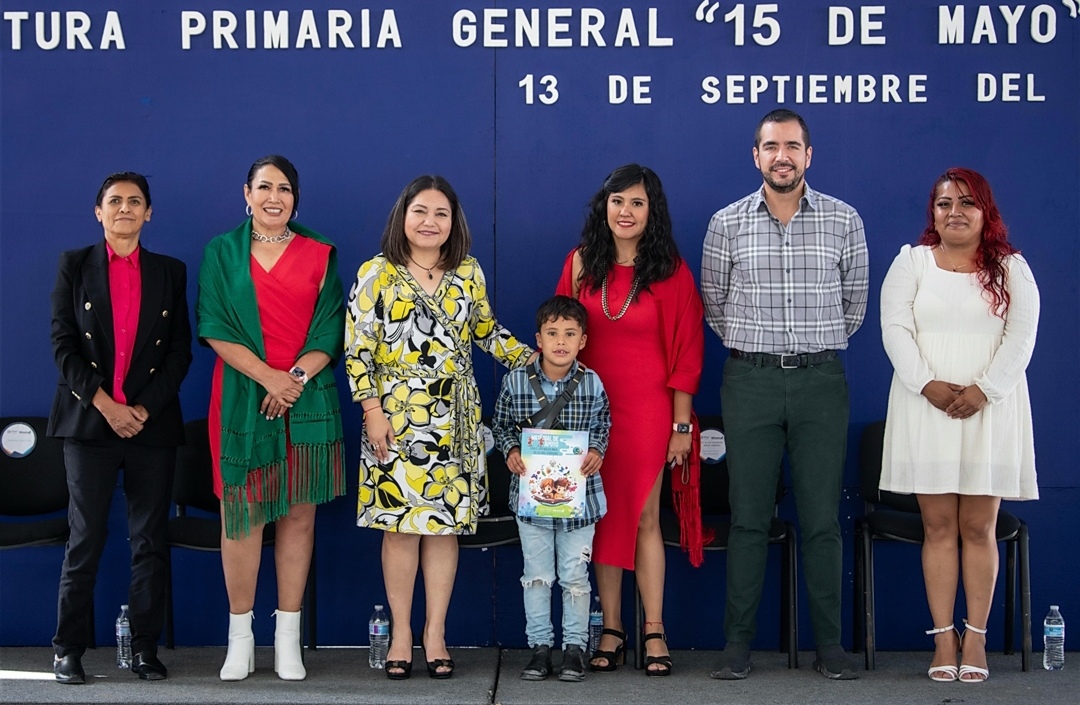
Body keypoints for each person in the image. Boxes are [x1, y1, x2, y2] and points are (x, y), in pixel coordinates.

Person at [700, 108, 869, 680]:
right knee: (749, 517)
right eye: (771, 146)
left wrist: (811, 351)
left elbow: (855, 306)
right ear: (756, 155)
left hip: (822, 380)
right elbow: (715, 305)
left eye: (793, 146)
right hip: (750, 381)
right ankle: (737, 645)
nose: (782, 156)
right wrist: (760, 354)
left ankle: (830, 647)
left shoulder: (844, 220)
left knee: (822, 519)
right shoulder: (727, 223)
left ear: (808, 155)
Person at [345, 174, 534, 680]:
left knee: (444, 529)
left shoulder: (467, 272)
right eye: (421, 212)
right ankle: (402, 633)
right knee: (402, 530)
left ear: (454, 223)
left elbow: (485, 330)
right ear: (402, 216)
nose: (430, 222)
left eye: (441, 214)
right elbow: (358, 350)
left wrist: (535, 361)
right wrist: (372, 411)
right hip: (395, 418)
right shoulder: (376, 273)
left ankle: (435, 632)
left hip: (456, 422)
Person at [879, 168, 1039, 683]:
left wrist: (983, 390)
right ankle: (943, 637)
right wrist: (926, 383)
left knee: (978, 527)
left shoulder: (1011, 268)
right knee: (939, 527)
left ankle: (976, 637)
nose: (955, 212)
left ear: (985, 211)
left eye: (966, 203)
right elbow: (895, 328)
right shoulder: (912, 263)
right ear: (933, 212)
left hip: (989, 410)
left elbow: (1021, 337)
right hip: (926, 408)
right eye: (944, 203)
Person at [197, 155, 346, 682]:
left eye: (284, 188)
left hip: (306, 397)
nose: (274, 197)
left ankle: (288, 639)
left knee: (299, 516)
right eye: (264, 187)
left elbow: (330, 330)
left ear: (295, 198)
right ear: (247, 193)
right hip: (243, 394)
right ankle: (240, 638)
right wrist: (269, 378)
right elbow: (214, 325)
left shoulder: (320, 253)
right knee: (241, 516)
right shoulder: (222, 251)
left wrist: (293, 383)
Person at [555, 164, 705, 677]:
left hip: (648, 413)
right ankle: (612, 628)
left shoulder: (670, 271)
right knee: (601, 521)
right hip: (589, 414)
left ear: (651, 211)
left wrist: (681, 427)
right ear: (605, 206)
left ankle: (654, 630)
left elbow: (687, 352)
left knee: (644, 519)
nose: (626, 211)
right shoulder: (580, 266)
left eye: (637, 203)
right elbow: (559, 340)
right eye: (618, 201)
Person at [48, 172, 193, 684]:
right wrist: (107, 404)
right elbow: (63, 345)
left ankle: (146, 650)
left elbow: (180, 353)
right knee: (85, 537)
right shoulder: (74, 266)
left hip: (151, 427)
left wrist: (143, 410)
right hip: (89, 423)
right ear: (99, 211)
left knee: (148, 540)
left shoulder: (170, 271)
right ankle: (68, 649)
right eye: (115, 201)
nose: (125, 209)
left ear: (148, 213)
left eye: (135, 202)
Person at [492, 295, 612, 683]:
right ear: (538, 340)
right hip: (532, 503)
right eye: (553, 333)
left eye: (570, 334)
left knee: (576, 576)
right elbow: (502, 425)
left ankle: (575, 650)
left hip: (581, 502)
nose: (561, 341)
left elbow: (604, 424)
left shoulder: (592, 383)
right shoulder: (516, 381)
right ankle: (540, 649)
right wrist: (510, 450)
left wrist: (596, 449)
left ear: (583, 341)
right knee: (538, 576)